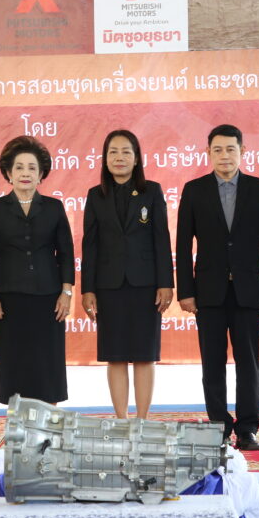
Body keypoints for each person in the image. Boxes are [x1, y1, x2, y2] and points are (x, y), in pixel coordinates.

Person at [176, 124, 259, 451]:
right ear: (208, 153)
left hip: (250, 290)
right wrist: (186, 291)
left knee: (248, 363)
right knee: (212, 363)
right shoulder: (194, 190)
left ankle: (248, 429)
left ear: (242, 151)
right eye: (218, 149)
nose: (224, 155)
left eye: (231, 149)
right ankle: (219, 427)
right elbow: (183, 245)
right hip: (208, 292)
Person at [81, 130, 173, 419]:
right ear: (105, 158)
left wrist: (166, 283)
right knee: (116, 357)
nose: (119, 157)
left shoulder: (152, 191)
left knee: (145, 356)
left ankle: (142, 421)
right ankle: (121, 420)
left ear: (136, 159)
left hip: (146, 285)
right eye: (113, 152)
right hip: (108, 286)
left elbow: (161, 239)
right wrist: (87, 289)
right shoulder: (95, 195)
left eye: (125, 152)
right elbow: (90, 245)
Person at [0, 136, 74, 405]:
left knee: (48, 363)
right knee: (15, 363)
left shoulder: (54, 207)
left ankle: (49, 423)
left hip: (49, 297)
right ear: (8, 173)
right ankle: (17, 424)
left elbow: (66, 254)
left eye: (32, 168)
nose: (25, 173)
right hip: (8, 298)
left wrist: (66, 292)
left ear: (41, 174)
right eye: (19, 167)